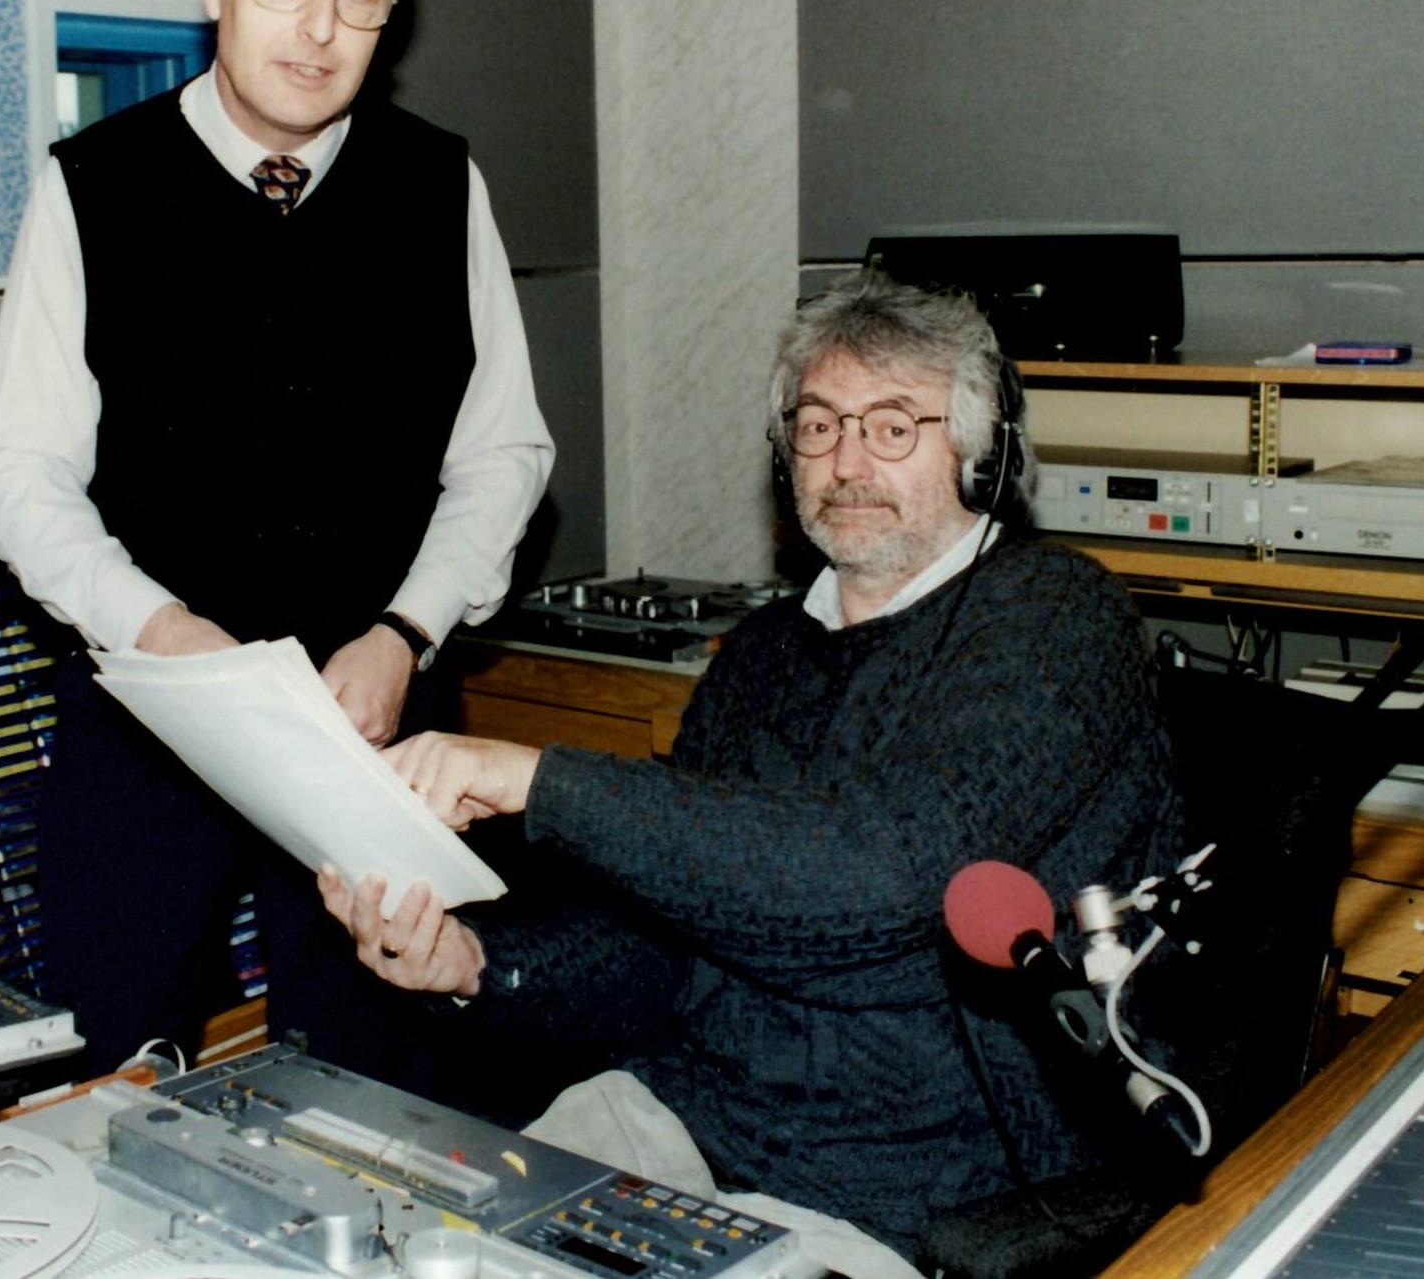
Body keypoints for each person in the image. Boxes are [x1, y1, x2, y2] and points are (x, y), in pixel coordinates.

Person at [319, 272, 1183, 1271]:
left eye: (891, 425)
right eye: (817, 426)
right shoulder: (767, 647)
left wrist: (539, 779)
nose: (847, 461)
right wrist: (474, 963)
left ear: (979, 452)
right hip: (683, 1120)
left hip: (912, 1186)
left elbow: (884, 878)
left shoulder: (1054, 619)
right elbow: (668, 938)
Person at [0, 0, 554, 1085]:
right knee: (113, 1083)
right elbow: (16, 472)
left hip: (377, 738)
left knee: (386, 1100)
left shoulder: (441, 183)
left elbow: (502, 453)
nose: (317, 24)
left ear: (389, 13)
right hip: (145, 725)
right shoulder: (91, 184)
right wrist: (160, 629)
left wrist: (403, 629)